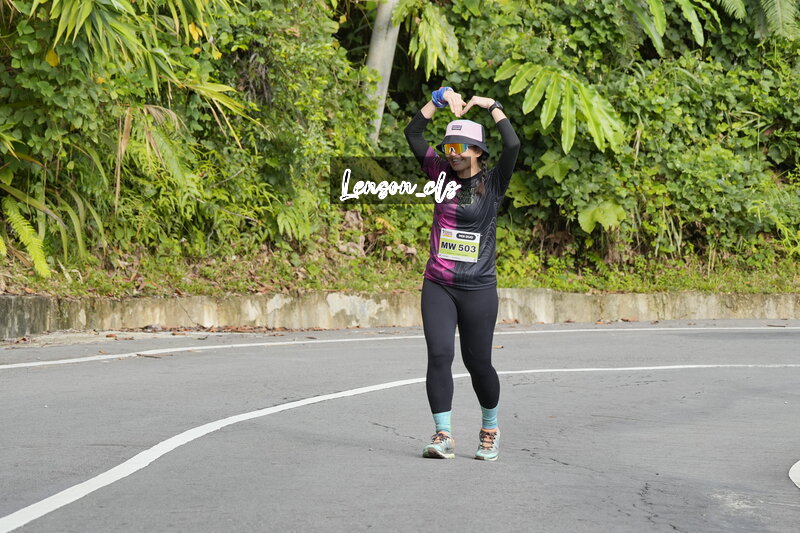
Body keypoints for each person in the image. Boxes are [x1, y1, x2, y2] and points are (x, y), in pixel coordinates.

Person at [403, 86, 520, 460]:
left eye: (460, 147)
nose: (452, 154)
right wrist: (437, 99)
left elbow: (513, 145)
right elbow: (413, 133)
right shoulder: (439, 173)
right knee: (439, 355)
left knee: (478, 363)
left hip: (478, 288)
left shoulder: (493, 183)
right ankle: (443, 435)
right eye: (448, 147)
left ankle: (490, 428)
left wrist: (493, 106)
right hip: (439, 284)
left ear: (478, 151)